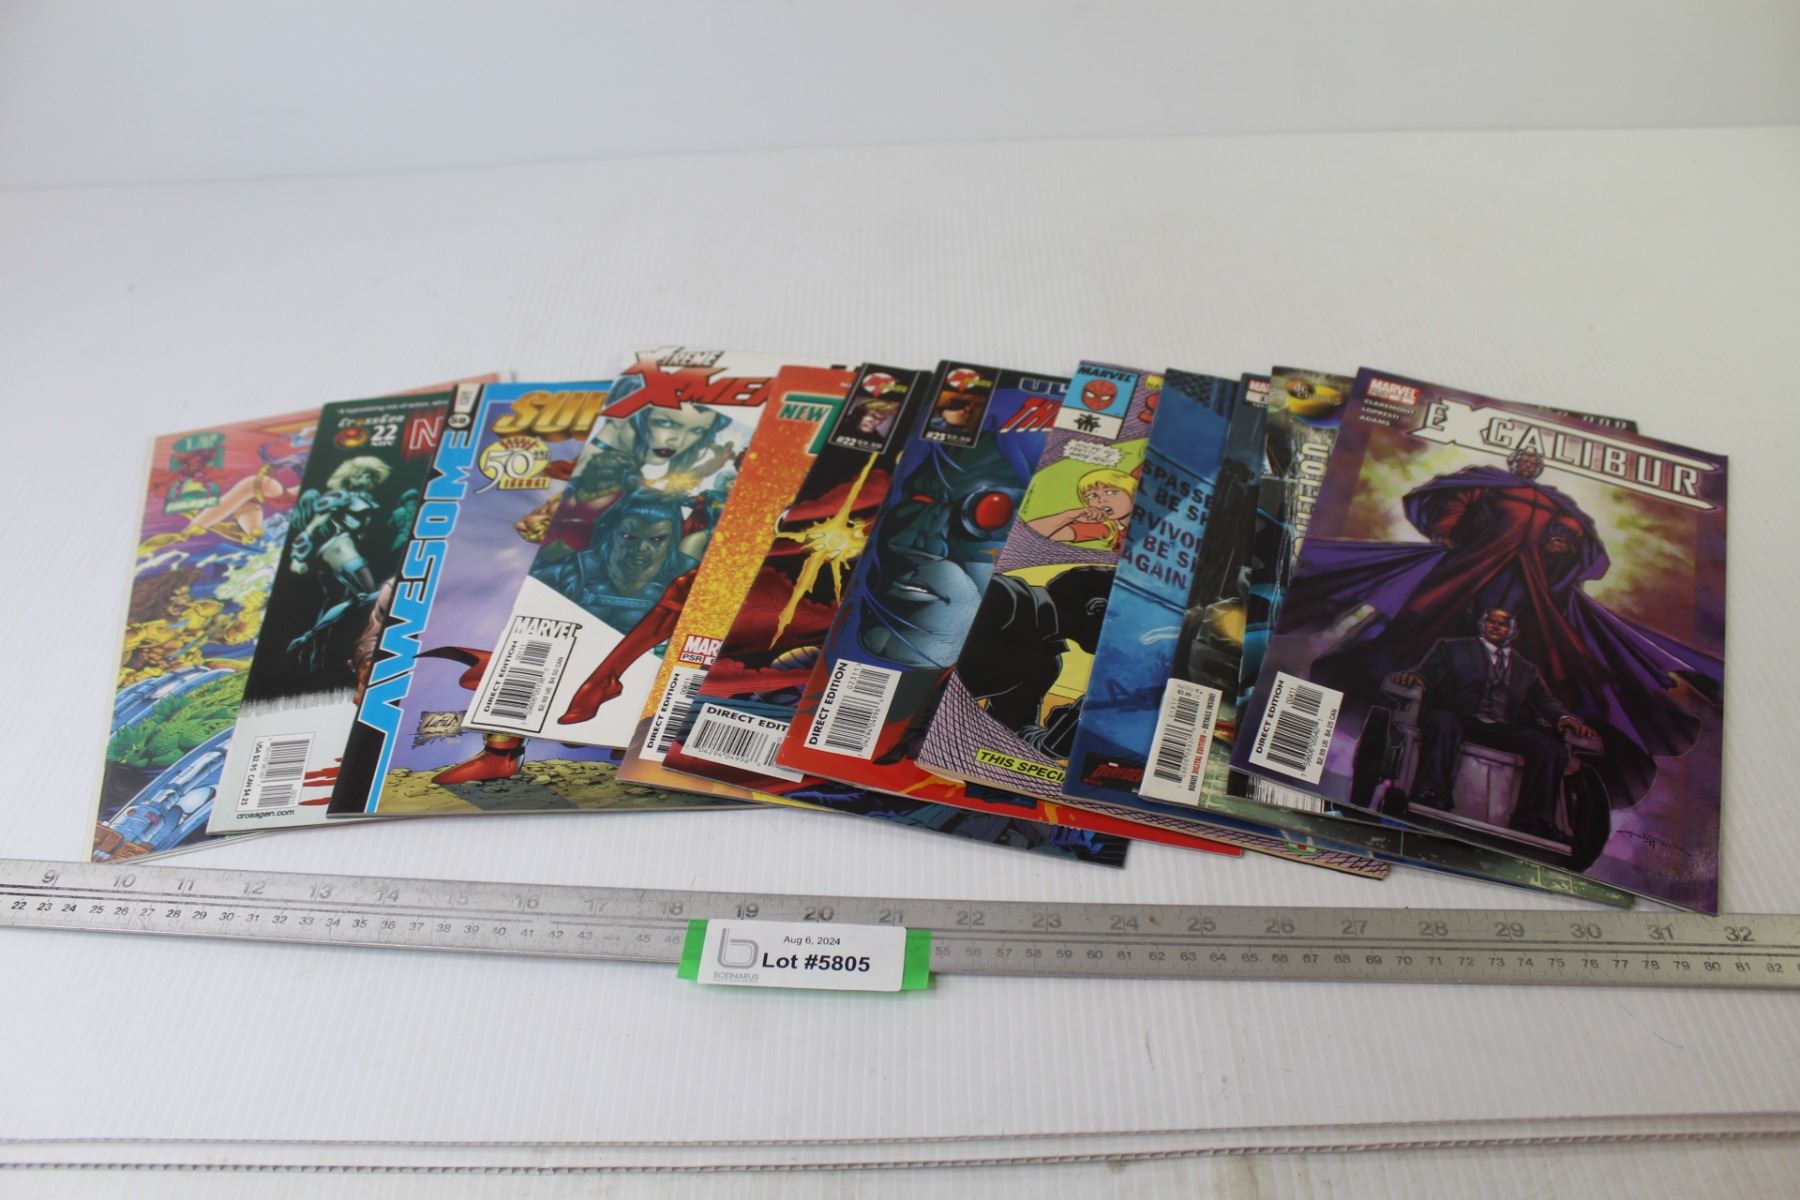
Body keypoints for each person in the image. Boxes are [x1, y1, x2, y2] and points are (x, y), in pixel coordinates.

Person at [1390, 607, 1595, 839]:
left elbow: (1545, 701)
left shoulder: (1526, 670)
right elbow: (1427, 673)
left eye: (1503, 623)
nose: (1496, 626)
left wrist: (1564, 717)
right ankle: (1431, 794)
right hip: (1462, 719)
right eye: (1491, 621)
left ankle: (1536, 820)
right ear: (1482, 624)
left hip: (1504, 729)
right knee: (1442, 721)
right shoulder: (1452, 649)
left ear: (1513, 631)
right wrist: (1416, 677)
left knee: (1550, 748)